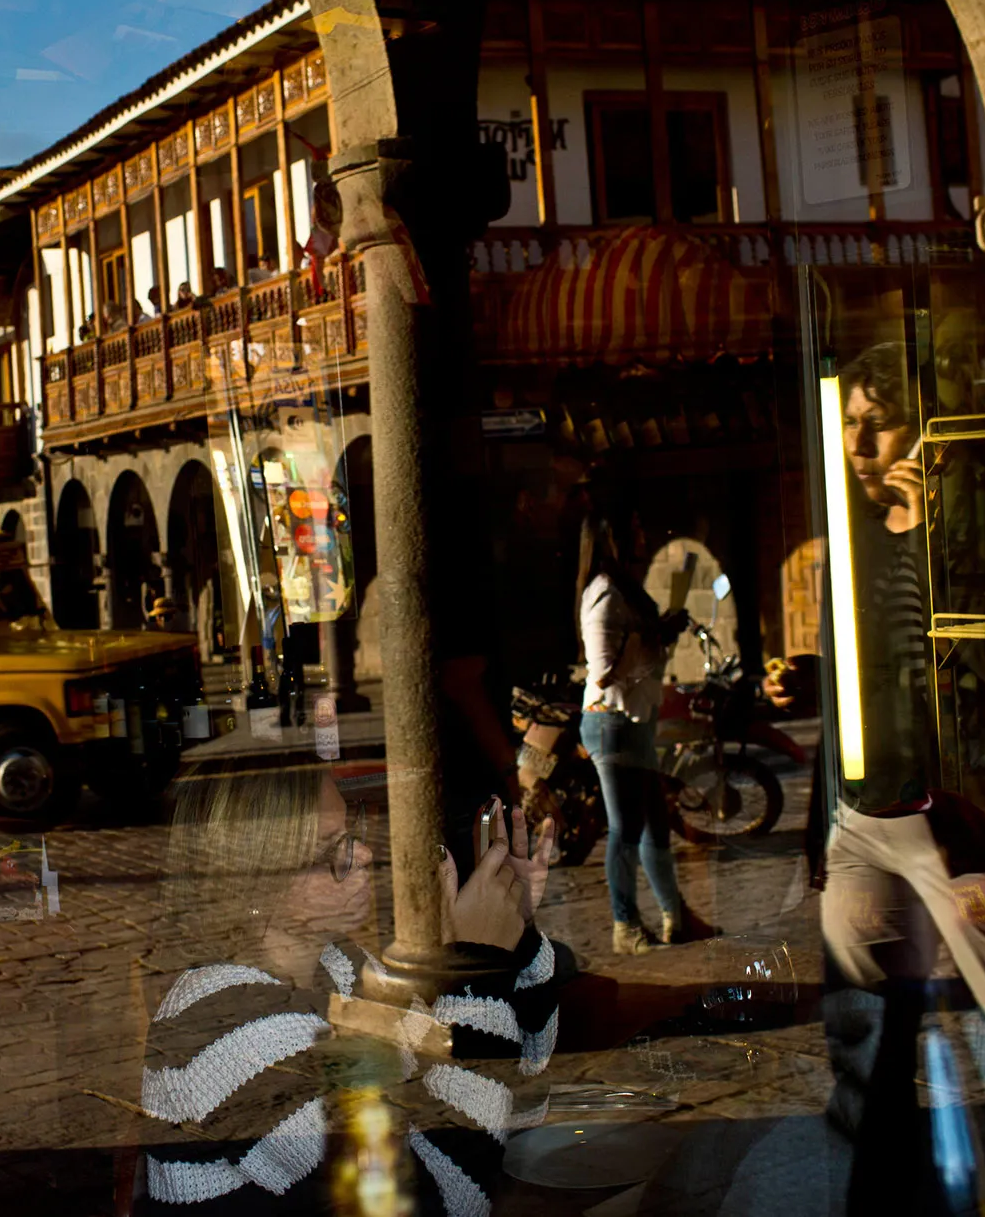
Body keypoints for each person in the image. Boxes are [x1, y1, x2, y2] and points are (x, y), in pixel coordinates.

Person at [139, 763, 563, 1213]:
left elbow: (517, 1101)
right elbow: (439, 1198)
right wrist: (479, 968)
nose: (361, 854)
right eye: (329, 850)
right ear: (252, 885)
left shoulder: (343, 966)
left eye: (351, 830)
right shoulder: (221, 1025)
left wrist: (515, 934)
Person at [576, 498, 708, 954]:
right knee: (626, 828)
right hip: (610, 721)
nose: (642, 534)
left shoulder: (624, 588)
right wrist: (653, 639)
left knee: (655, 824)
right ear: (610, 538)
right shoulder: (605, 593)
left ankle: (677, 917)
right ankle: (625, 926)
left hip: (634, 721)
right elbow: (604, 671)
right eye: (632, 526)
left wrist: (660, 632)